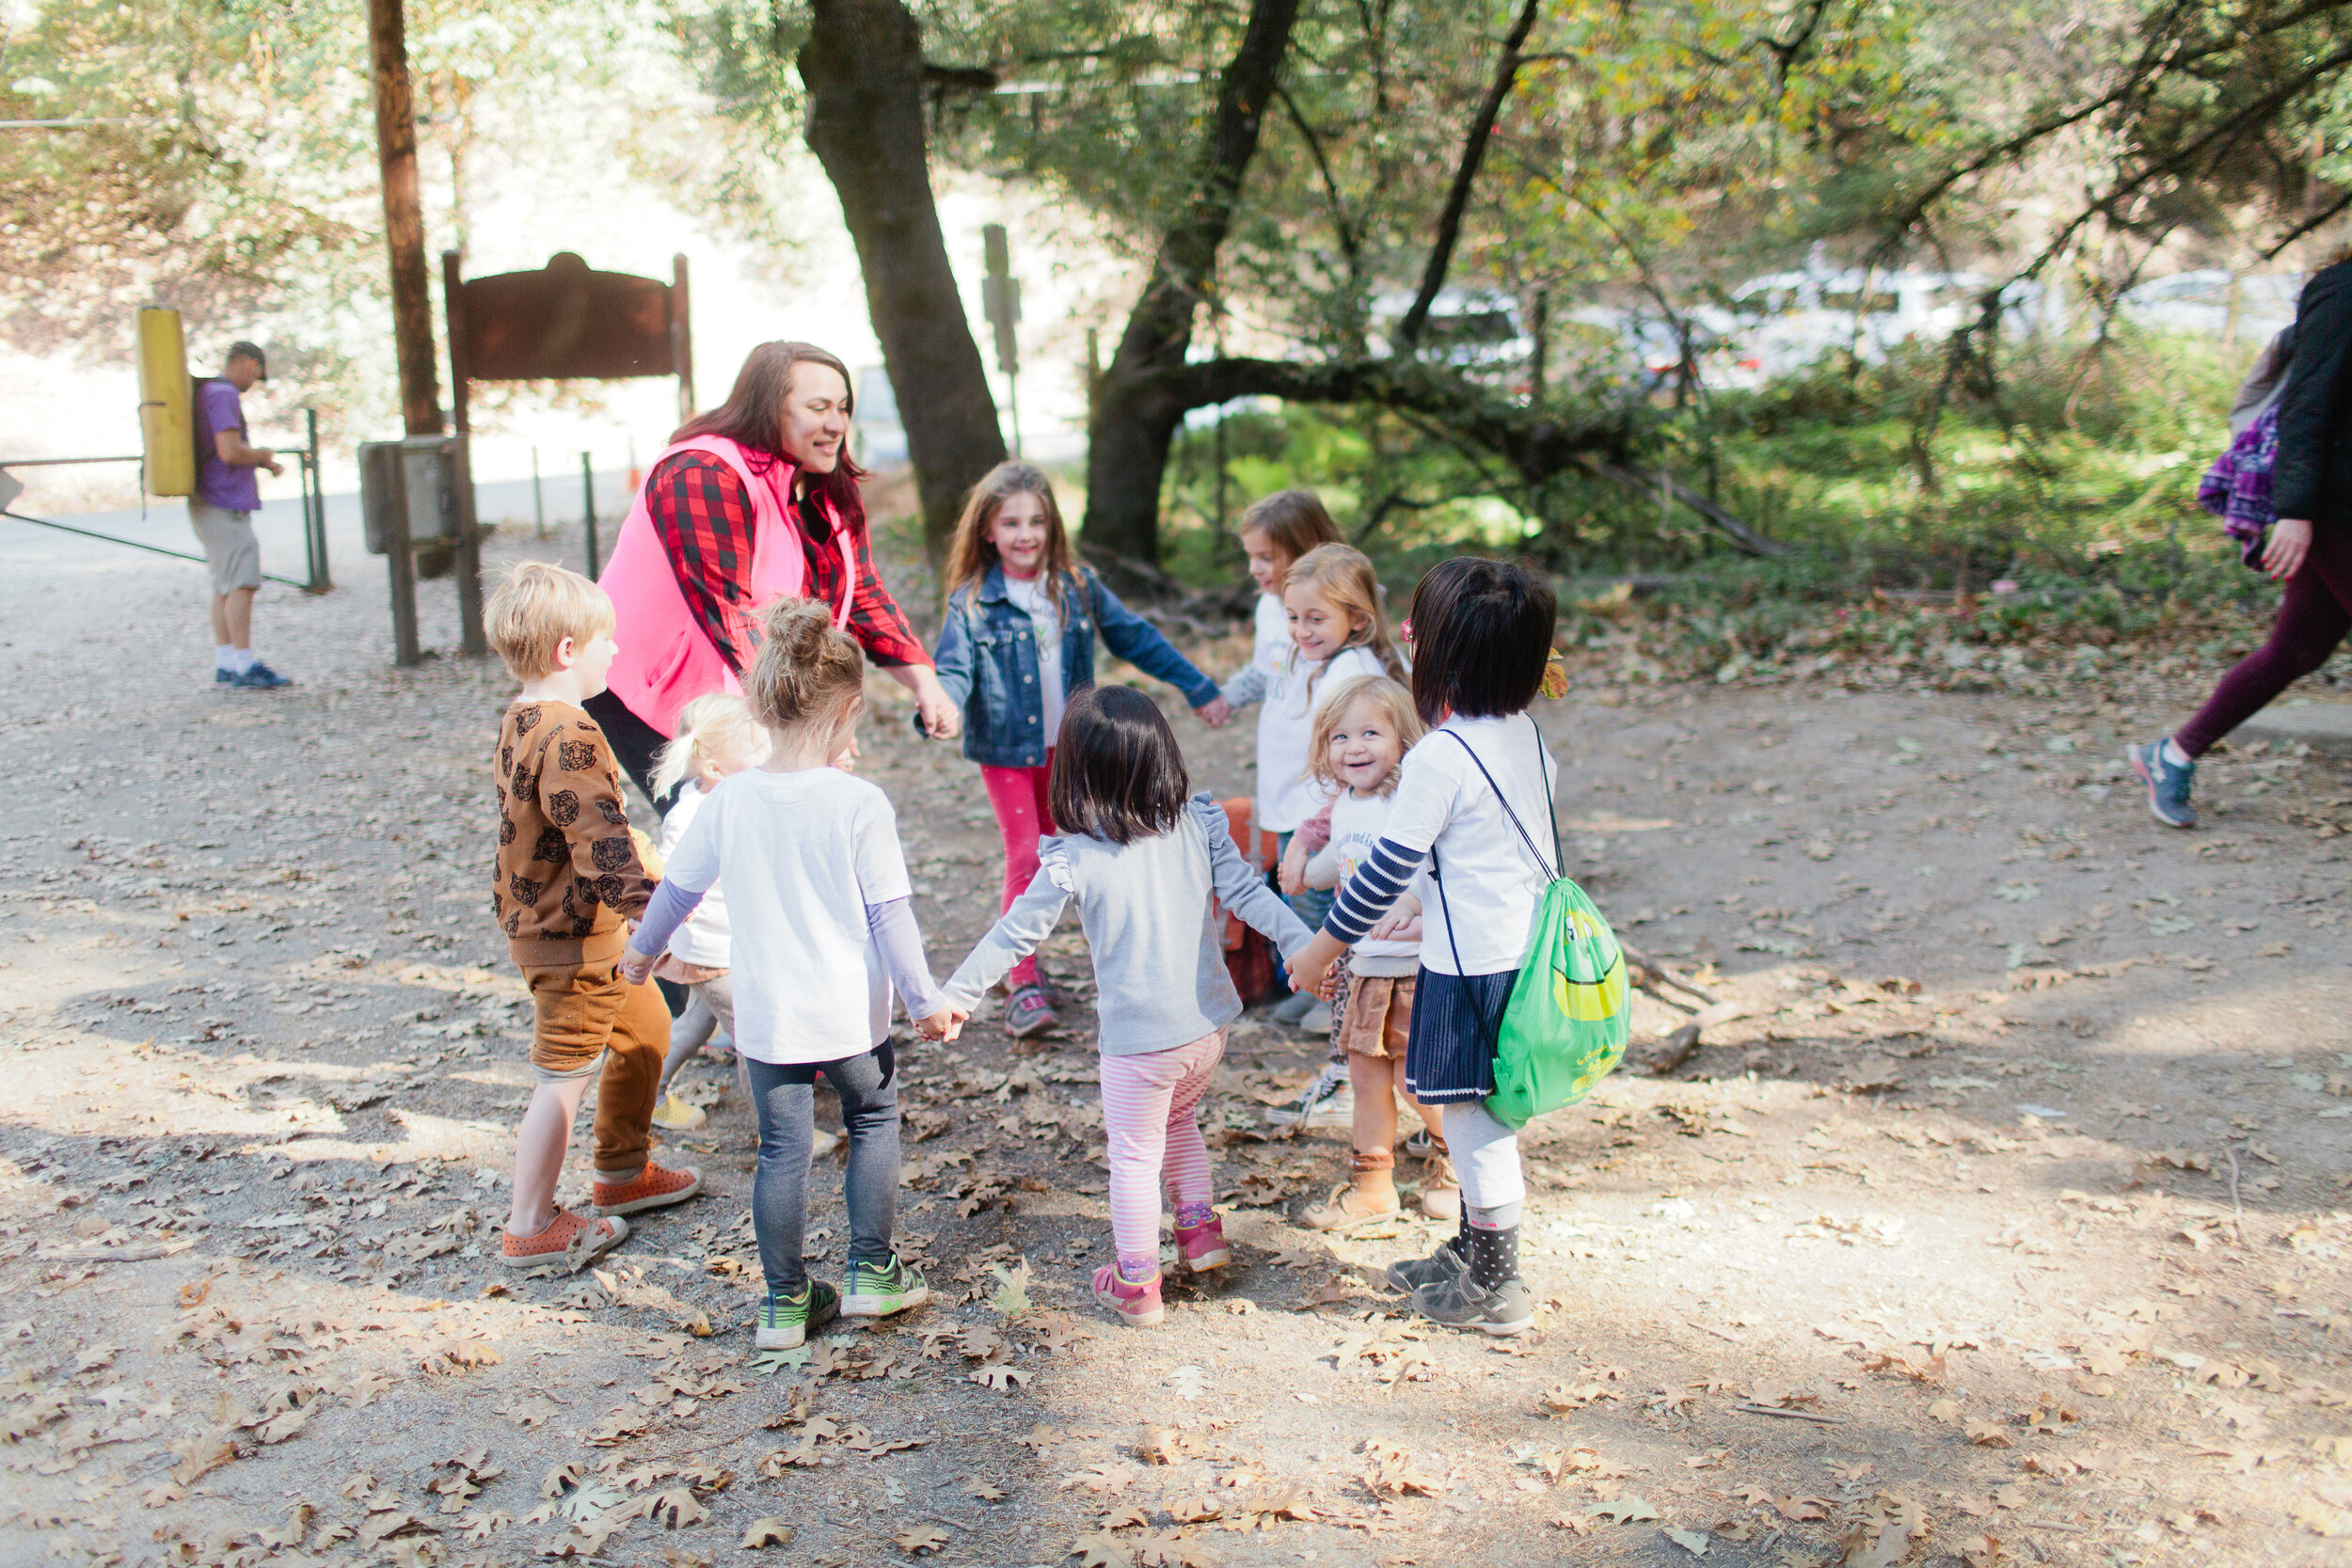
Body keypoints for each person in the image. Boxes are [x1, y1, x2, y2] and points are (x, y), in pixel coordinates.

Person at [623, 599, 960, 1349]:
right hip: (850, 1017)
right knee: (872, 1119)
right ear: (850, 711)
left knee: (780, 1151)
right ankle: (873, 1272)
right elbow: (890, 916)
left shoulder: (729, 798)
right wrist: (923, 1000)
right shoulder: (859, 803)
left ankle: (782, 1301)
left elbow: (675, 890)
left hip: (767, 1018)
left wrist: (644, 952)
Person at [935, 687, 1313, 1327]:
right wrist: (1302, 940)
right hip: (1207, 1028)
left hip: (1140, 1044)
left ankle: (1137, 1279)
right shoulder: (1197, 823)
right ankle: (1200, 1234)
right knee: (1180, 1122)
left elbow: (1015, 935)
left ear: (1075, 774)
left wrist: (958, 994)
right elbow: (1248, 892)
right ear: (1164, 757)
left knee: (1133, 1155)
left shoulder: (1073, 857)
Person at [1288, 557, 1561, 1337]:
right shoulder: (1524, 733)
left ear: (1440, 659)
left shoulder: (1442, 754)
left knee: (1473, 1123)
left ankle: (1498, 1285)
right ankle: (1473, 1252)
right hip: (1516, 950)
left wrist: (1319, 948)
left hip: (1472, 966)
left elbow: (1381, 873)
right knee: (1475, 1114)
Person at [930, 461, 1233, 1038]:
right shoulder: (970, 603)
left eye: (1037, 521)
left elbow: (1134, 636)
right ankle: (1022, 983)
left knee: (1086, 850)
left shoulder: (1073, 585)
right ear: (987, 531)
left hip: (1075, 749)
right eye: (1011, 522)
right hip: (1007, 751)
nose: (1026, 535)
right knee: (1026, 856)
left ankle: (1123, 968)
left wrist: (1197, 685)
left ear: (1053, 526)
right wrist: (941, 705)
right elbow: (954, 670)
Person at [587, 341, 961, 805]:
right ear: (769, 408)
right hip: (656, 692)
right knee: (725, 838)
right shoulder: (702, 472)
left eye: (843, 408)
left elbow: (861, 593)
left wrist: (925, 683)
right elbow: (729, 613)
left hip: (752, 689)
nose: (836, 424)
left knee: (777, 830)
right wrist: (811, 723)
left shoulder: (822, 484)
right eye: (818, 407)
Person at [485, 563, 705, 1270]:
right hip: (573, 938)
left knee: (646, 1028)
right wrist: (656, 928)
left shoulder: (523, 716)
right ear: (567, 651)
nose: (616, 652)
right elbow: (600, 845)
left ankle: (621, 1170)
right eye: (607, 640)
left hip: (569, 925)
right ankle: (530, 1222)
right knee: (564, 1075)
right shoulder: (571, 731)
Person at [2130, 260, 2352, 829]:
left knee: (2299, 650)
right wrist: (2294, 511)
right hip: (2332, 509)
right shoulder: (2344, 290)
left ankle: (2173, 755)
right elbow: (2309, 404)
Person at [1289, 674, 1458, 1231]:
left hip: (1408, 965)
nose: (1354, 748)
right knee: (1365, 1077)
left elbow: (1429, 860)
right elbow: (1342, 862)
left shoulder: (1405, 798)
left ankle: (1459, 1164)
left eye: (1369, 733)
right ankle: (1373, 1187)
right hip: (1361, 965)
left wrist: (1411, 901)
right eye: (1340, 738)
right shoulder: (1345, 805)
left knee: (1414, 1079)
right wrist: (1303, 874)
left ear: (1402, 739)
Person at [1250, 541, 1404, 1117]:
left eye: (1316, 618)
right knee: (1324, 923)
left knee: (1339, 934)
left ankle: (1346, 1062)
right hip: (1327, 829)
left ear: (1356, 619)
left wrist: (1311, 840)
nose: (1301, 629)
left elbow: (1352, 773)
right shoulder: (1318, 662)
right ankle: (1341, 1046)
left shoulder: (1354, 674)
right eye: (1293, 617)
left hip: (1350, 838)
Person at [1217, 492, 1344, 1029]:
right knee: (1290, 884)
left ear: (1304, 548)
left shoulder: (1337, 619)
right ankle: (1308, 980)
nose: (1255, 569)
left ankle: (1331, 991)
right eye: (1251, 557)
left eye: (1266, 557)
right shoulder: (1272, 609)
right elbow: (1263, 671)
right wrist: (1221, 697)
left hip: (1321, 781)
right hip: (1280, 776)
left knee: (1321, 884)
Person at [644, 694, 767, 1132]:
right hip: (713, 951)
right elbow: (671, 874)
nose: (766, 753)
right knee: (753, 1037)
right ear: (716, 769)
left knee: (694, 1025)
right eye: (755, 750)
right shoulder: (691, 814)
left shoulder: (741, 797)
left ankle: (648, 1098)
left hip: (729, 946)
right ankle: (774, 1132)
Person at [191, 341, 292, 689]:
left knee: (223, 586)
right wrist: (262, 453)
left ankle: (228, 663)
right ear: (250, 364)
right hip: (224, 502)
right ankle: (245, 666)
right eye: (259, 373)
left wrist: (262, 460)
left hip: (208, 501)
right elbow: (229, 452)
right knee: (242, 584)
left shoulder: (208, 392)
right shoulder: (223, 395)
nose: (257, 381)